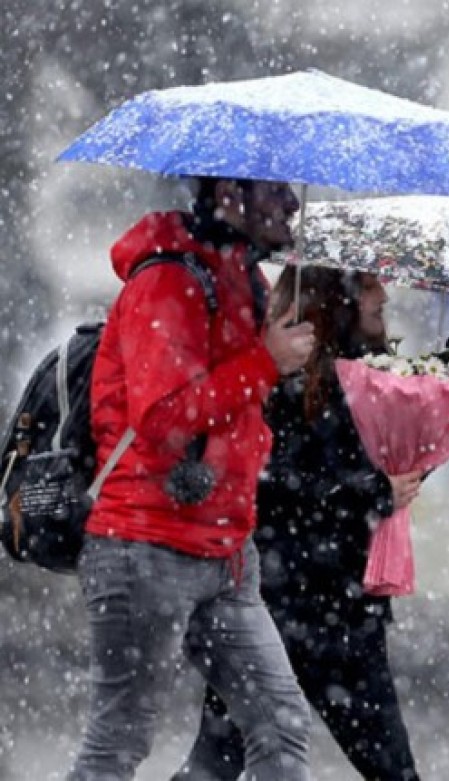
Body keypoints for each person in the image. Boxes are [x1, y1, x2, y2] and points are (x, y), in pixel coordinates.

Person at [68, 177, 318, 781]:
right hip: (145, 545)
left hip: (227, 552)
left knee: (282, 728)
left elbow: (242, 409)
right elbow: (162, 417)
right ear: (229, 193)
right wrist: (266, 362)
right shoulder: (170, 280)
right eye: (275, 191)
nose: (292, 204)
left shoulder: (243, 281)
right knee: (118, 745)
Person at [175, 265, 425, 781]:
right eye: (370, 282)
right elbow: (273, 486)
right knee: (217, 762)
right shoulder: (284, 381)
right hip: (282, 603)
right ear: (337, 299)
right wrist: (373, 491)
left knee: (390, 769)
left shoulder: (374, 380)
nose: (384, 293)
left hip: (342, 609)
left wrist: (408, 466)